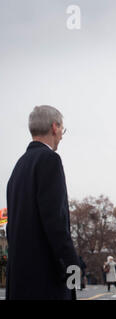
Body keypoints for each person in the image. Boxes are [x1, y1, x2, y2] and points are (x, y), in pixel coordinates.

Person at [6, 105, 80, 300]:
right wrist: (73, 266)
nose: (62, 136)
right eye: (62, 130)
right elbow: (55, 221)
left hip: (21, 277)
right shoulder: (49, 160)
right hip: (45, 277)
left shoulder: (19, 166)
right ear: (54, 127)